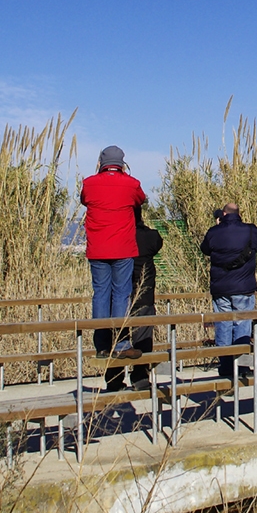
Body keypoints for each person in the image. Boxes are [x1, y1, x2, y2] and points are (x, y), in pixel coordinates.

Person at [81, 146, 147, 359]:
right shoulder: (131, 184)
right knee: (121, 294)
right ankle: (121, 343)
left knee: (100, 293)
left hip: (97, 248)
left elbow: (84, 199)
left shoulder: (89, 183)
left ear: (101, 163)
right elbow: (140, 199)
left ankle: (101, 346)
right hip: (123, 247)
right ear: (122, 163)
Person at [201, 203, 257, 378]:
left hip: (220, 288)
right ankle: (242, 366)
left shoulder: (213, 232)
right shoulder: (251, 230)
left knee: (223, 324)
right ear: (239, 213)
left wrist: (218, 226)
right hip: (244, 287)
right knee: (242, 324)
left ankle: (226, 365)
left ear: (223, 214)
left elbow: (205, 250)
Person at [105, 207, 163, 392]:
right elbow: (157, 241)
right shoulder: (148, 237)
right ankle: (140, 377)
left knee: (117, 336)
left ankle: (114, 378)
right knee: (143, 337)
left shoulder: (117, 235)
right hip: (144, 293)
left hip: (118, 295)